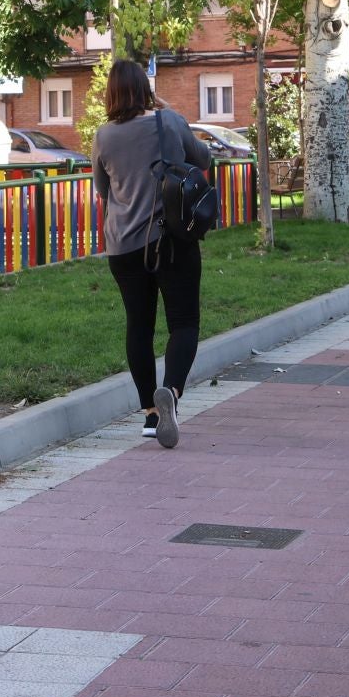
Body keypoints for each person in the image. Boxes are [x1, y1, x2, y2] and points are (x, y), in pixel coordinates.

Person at [91, 58, 212, 449]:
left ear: (110, 94)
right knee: (184, 322)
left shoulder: (104, 136)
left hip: (124, 245)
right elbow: (203, 160)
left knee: (138, 327)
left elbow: (103, 190)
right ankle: (171, 392)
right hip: (172, 240)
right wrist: (169, 111)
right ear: (146, 89)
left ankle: (149, 413)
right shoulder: (170, 121)